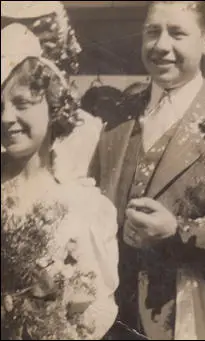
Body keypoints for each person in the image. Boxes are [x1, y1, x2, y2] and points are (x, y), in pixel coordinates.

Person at [91, 2, 205, 339]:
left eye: (177, 33)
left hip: (189, 318)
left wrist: (177, 233)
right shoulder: (117, 117)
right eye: (152, 32)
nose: (161, 46)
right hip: (111, 318)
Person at [0, 18, 119, 340]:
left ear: (52, 106)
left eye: (21, 103)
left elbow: (96, 308)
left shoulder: (81, 203)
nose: (6, 117)